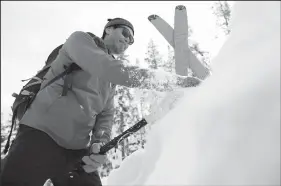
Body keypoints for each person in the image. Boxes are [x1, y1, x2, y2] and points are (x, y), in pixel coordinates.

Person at [0, 18, 201, 186]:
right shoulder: (80, 41)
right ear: (108, 29)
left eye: (131, 40)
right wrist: (176, 82)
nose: (128, 40)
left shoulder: (110, 83)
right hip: (40, 136)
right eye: (125, 33)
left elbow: (105, 115)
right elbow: (109, 68)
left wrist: (99, 144)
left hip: (76, 152)